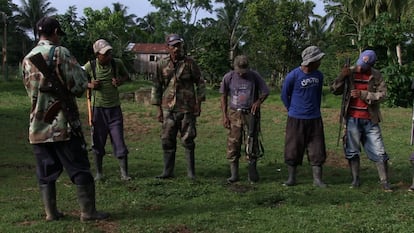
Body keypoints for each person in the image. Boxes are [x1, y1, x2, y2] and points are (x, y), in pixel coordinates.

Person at [22, 16, 108, 221]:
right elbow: (79, 85)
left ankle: (51, 213)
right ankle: (88, 212)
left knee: (45, 170)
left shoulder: (27, 58)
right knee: (79, 167)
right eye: (59, 34)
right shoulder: (61, 53)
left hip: (38, 125)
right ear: (55, 33)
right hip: (63, 124)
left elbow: (29, 91)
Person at [331, 50, 392, 192]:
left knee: (379, 151)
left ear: (370, 65)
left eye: (363, 66)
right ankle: (355, 179)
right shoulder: (350, 72)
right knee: (352, 150)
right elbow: (334, 90)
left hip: (370, 118)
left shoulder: (376, 75)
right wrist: (341, 76)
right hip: (352, 117)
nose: (359, 67)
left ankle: (384, 181)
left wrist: (364, 94)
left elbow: (383, 95)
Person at [151, 33, 206, 179]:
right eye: (173, 46)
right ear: (168, 47)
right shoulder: (161, 64)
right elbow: (157, 86)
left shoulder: (189, 63)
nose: (176, 49)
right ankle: (167, 171)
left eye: (178, 45)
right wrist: (158, 109)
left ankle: (191, 173)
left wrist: (198, 103)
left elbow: (200, 82)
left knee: (188, 139)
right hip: (168, 108)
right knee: (167, 139)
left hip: (187, 107)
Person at [83, 39, 131, 181]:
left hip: (115, 110)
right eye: (105, 54)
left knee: (119, 141)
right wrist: (90, 85)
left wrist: (120, 81)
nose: (109, 56)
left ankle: (124, 173)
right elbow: (78, 81)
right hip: (98, 110)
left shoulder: (117, 63)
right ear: (97, 55)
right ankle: (99, 173)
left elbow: (127, 76)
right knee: (98, 141)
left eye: (110, 53)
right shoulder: (90, 66)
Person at [281, 46, 327, 188]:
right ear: (310, 61)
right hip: (296, 118)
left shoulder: (319, 76)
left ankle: (317, 180)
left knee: (317, 148)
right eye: (318, 60)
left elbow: (318, 95)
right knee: (293, 147)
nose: (320, 62)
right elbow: (284, 95)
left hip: (314, 118)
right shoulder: (293, 76)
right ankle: (291, 178)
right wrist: (292, 109)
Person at [220, 55, 269, 183]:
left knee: (252, 141)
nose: (241, 74)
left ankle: (252, 173)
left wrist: (258, 102)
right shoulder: (228, 77)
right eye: (239, 71)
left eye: (244, 71)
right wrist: (224, 115)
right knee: (233, 142)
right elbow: (223, 96)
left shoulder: (254, 76)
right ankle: (234, 174)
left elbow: (265, 91)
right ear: (235, 68)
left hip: (250, 114)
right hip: (234, 113)